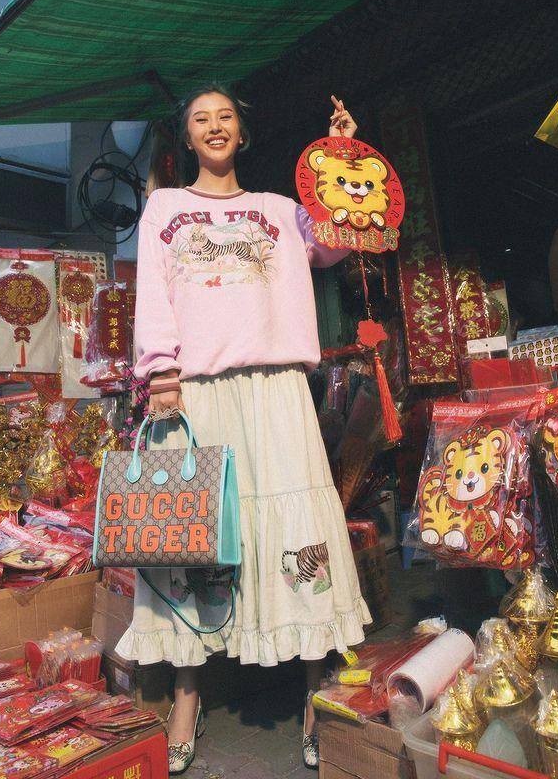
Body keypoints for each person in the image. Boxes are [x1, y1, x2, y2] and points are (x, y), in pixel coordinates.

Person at [117, 84, 371, 773]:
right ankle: (187, 695)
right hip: (198, 392)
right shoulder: (165, 209)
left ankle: (315, 687)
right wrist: (161, 373)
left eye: (225, 116)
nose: (215, 126)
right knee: (193, 536)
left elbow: (339, 237)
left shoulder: (282, 211)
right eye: (201, 119)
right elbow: (152, 293)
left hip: (278, 388)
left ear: (242, 132)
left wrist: (340, 156)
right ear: (187, 138)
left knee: (297, 529)